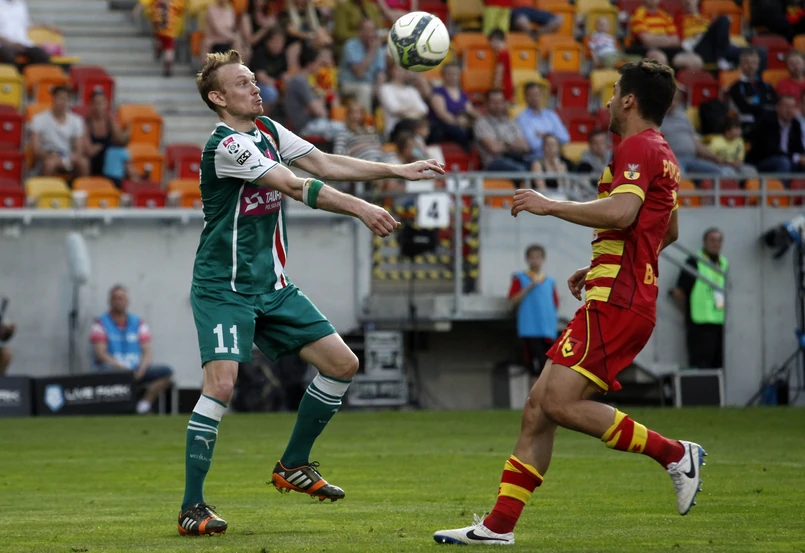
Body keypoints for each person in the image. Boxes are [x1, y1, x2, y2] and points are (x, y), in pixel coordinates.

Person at [433, 60, 705, 546]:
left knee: (557, 402)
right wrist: (601, 263)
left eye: (614, 91)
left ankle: (674, 454)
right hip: (619, 291)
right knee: (538, 407)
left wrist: (550, 204)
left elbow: (622, 212)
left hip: (618, 300)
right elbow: (669, 230)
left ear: (629, 100)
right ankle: (498, 528)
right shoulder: (662, 153)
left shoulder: (637, 147)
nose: (607, 101)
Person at [178, 49, 444, 536]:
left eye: (254, 79)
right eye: (242, 83)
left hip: (273, 285)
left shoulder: (268, 130)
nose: (255, 88)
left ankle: (294, 464)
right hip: (224, 288)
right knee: (221, 386)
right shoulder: (228, 145)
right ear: (218, 98)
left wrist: (395, 170)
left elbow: (323, 162)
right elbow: (296, 185)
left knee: (342, 364)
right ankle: (191, 507)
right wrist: (361, 209)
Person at [90, 285, 174, 415]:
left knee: (166, 372)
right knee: (102, 372)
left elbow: (147, 352)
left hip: (136, 369)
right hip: (113, 369)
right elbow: (101, 354)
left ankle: (144, 405)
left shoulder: (138, 323)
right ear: (110, 301)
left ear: (127, 301)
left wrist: (141, 370)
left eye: (121, 298)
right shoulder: (100, 323)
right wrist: (123, 369)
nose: (118, 301)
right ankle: (114, 409)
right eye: (115, 298)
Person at [672, 228, 727, 369]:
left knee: (719, 366)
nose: (716, 244)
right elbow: (679, 292)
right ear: (704, 242)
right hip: (700, 325)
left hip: (720, 323)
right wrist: (687, 312)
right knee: (701, 366)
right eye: (712, 240)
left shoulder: (723, 263)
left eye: (719, 240)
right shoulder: (694, 262)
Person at [507, 244, 559, 385]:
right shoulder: (520, 278)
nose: (535, 260)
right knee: (535, 367)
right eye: (532, 257)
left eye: (538, 257)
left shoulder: (550, 281)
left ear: (543, 259)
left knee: (549, 366)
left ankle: (546, 397)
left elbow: (555, 303)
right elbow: (512, 300)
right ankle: (535, 397)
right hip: (530, 329)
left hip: (547, 330)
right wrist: (529, 287)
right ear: (527, 259)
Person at [661, 87, 737, 175]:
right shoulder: (655, 119)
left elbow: (695, 143)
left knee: (723, 173)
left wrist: (716, 158)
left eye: (676, 99)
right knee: (679, 176)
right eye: (671, 99)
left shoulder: (683, 116)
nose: (673, 103)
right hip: (671, 160)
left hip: (692, 158)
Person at [284, 45, 345, 139]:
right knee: (344, 129)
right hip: (305, 126)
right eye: (318, 64)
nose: (320, 68)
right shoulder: (299, 81)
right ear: (310, 64)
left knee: (346, 130)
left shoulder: (304, 81)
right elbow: (321, 112)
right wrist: (321, 97)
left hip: (313, 122)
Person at [30, 86, 90, 178]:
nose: (62, 102)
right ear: (53, 99)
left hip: (68, 156)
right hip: (48, 155)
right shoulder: (38, 119)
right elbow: (36, 149)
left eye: (65, 99)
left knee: (84, 163)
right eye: (60, 98)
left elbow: (79, 148)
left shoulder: (76, 120)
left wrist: (71, 158)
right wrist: (49, 156)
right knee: (50, 164)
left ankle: (80, 187)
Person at [625, 0, 703, 70]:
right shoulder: (638, 14)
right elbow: (646, 40)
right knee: (659, 58)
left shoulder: (665, 16)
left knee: (695, 61)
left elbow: (676, 40)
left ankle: (680, 81)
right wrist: (666, 39)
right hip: (644, 50)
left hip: (667, 50)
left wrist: (655, 39)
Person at [474, 88, 532, 173]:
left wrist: (504, 144)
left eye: (500, 102)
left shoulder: (511, 122)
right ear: (486, 104)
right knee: (522, 171)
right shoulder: (481, 123)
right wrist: (512, 144)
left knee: (536, 165)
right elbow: (494, 149)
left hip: (516, 157)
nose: (498, 105)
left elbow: (525, 146)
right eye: (494, 102)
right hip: (494, 163)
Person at [746, 94, 805, 173]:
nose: (789, 110)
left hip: (788, 159)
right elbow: (772, 150)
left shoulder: (795, 124)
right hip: (763, 161)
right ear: (778, 108)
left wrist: (802, 157)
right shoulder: (767, 122)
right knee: (783, 162)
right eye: (786, 106)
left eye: (792, 107)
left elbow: (799, 148)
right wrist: (796, 157)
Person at [338, 18, 386, 112]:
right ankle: (366, 119)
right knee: (365, 89)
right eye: (367, 30)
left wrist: (378, 88)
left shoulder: (378, 48)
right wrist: (372, 51)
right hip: (349, 83)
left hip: (370, 84)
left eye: (373, 30)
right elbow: (359, 72)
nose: (370, 34)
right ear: (360, 32)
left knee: (385, 90)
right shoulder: (350, 45)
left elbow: (381, 73)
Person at [428, 63, 478, 151]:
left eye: (455, 74)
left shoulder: (463, 94)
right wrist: (458, 122)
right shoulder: (438, 92)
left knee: (479, 129)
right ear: (443, 75)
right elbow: (442, 114)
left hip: (460, 123)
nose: (452, 76)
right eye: (449, 74)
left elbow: (470, 111)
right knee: (459, 132)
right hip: (442, 126)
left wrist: (480, 120)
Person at [516, 82, 570, 160]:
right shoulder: (522, 118)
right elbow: (533, 145)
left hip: (556, 156)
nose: (534, 98)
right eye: (531, 95)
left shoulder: (551, 115)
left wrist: (545, 135)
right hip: (536, 158)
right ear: (526, 98)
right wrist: (554, 138)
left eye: (537, 94)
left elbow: (565, 138)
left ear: (541, 96)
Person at [728, 49, 777, 135]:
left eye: (754, 63)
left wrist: (759, 108)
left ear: (758, 65)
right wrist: (763, 108)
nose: (750, 66)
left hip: (768, 123)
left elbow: (775, 104)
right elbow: (744, 108)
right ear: (740, 65)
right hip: (747, 125)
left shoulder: (766, 85)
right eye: (747, 63)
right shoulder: (735, 87)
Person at [83, 91, 130, 179]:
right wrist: (103, 148)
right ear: (91, 105)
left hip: (108, 159)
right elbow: (89, 151)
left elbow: (120, 141)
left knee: (121, 153)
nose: (99, 107)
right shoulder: (86, 123)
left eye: (101, 103)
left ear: (106, 104)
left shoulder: (110, 121)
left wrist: (128, 131)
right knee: (112, 154)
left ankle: (132, 178)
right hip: (94, 161)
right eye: (96, 103)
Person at [378, 64, 429, 140]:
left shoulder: (412, 90)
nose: (402, 73)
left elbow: (424, 109)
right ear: (392, 71)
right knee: (409, 125)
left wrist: (406, 111)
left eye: (404, 71)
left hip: (414, 124)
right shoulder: (385, 89)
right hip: (395, 127)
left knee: (435, 128)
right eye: (399, 70)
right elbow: (394, 109)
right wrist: (413, 110)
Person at [0, 0, 51, 67]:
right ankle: (15, 73)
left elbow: (27, 24)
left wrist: (47, 27)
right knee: (8, 55)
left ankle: (30, 73)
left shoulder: (20, 4)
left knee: (42, 55)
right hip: (4, 45)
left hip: (23, 43)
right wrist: (12, 44)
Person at [150, 0, 186, 76]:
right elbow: (180, 9)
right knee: (169, 48)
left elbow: (149, 5)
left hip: (158, 24)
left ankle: (158, 49)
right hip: (170, 28)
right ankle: (168, 66)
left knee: (159, 40)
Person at [488, 29, 514, 103]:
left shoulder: (502, 54)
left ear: (495, 40)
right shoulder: (505, 52)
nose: (490, 45)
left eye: (491, 42)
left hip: (504, 86)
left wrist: (495, 88)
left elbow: (500, 72)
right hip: (507, 84)